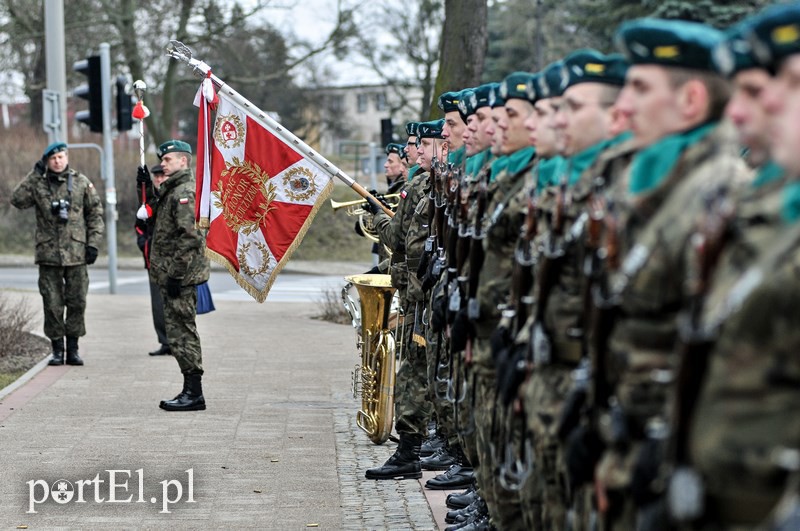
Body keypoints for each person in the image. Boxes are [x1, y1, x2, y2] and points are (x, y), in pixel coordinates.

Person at [10, 141, 104, 366]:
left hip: (77, 253)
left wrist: (93, 244)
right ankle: (56, 350)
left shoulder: (81, 182)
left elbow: (95, 214)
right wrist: (35, 173)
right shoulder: (38, 184)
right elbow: (17, 200)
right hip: (49, 254)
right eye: (52, 158)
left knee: (77, 302)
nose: (57, 161)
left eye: (61, 157)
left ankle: (73, 349)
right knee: (52, 304)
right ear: (47, 161)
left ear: (67, 157)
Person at [138, 140, 210, 412]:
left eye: (168, 160)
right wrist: (143, 189)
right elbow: (156, 220)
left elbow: (190, 237)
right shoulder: (172, 190)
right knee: (177, 333)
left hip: (181, 276)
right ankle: (189, 390)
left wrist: (176, 275)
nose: (163, 164)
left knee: (183, 332)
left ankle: (194, 393)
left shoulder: (184, 193)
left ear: (184, 161)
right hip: (172, 273)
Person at [135, 163, 170, 356]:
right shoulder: (149, 199)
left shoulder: (172, 196)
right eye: (155, 176)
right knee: (158, 304)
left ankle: (178, 343)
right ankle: (165, 341)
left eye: (161, 176)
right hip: (153, 259)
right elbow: (140, 223)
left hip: (172, 260)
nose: (159, 179)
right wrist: (144, 243)